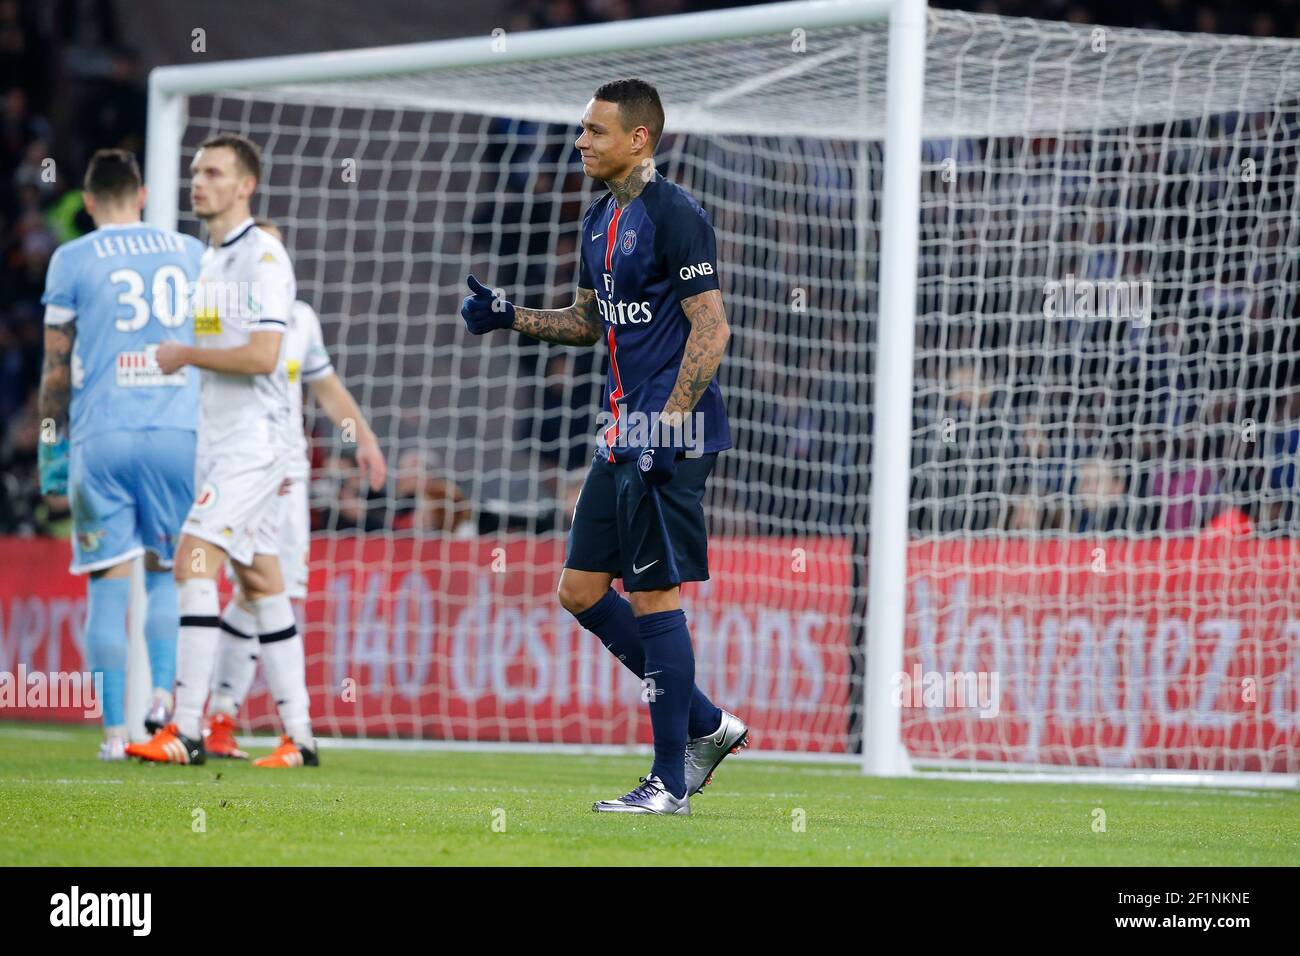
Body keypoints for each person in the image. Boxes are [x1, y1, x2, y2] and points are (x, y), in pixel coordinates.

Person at [461, 78, 746, 815]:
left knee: (654, 594)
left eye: (593, 130)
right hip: (622, 431)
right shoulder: (597, 222)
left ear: (638, 139)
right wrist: (507, 315)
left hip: (670, 433)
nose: (579, 141)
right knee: (580, 591)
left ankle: (668, 784)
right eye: (582, 130)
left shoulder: (676, 214)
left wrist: (666, 424)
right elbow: (590, 324)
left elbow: (711, 329)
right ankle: (708, 725)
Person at [126, 133, 316, 768]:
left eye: (212, 172)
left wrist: (185, 354)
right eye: (195, 171)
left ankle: (185, 728)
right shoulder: (209, 263)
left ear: (245, 186)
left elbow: (264, 355)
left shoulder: (263, 257)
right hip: (223, 445)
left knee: (193, 559)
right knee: (260, 578)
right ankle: (302, 736)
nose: (197, 182)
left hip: (255, 446)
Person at [37, 148, 204, 760]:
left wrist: (51, 449)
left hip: (102, 435)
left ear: (86, 203)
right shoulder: (190, 252)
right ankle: (162, 704)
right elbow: (216, 345)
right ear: (143, 195)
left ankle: (112, 734)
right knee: (167, 574)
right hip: (176, 433)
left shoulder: (71, 257)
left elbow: (57, 368)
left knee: (107, 586)